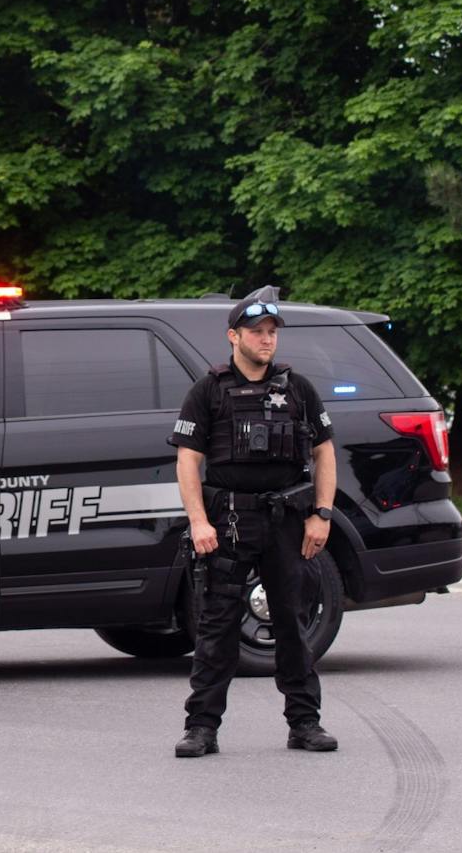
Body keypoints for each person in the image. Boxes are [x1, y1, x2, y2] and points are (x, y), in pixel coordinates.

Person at [169, 286, 339, 757]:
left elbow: (324, 452)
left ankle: (304, 723)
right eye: (256, 332)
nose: (266, 341)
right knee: (217, 627)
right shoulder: (208, 390)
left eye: (271, 333)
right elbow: (188, 461)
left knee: (291, 622)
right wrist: (199, 522)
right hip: (227, 521)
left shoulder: (298, 389)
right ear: (233, 336)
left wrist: (321, 514)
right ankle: (201, 727)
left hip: (287, 520)